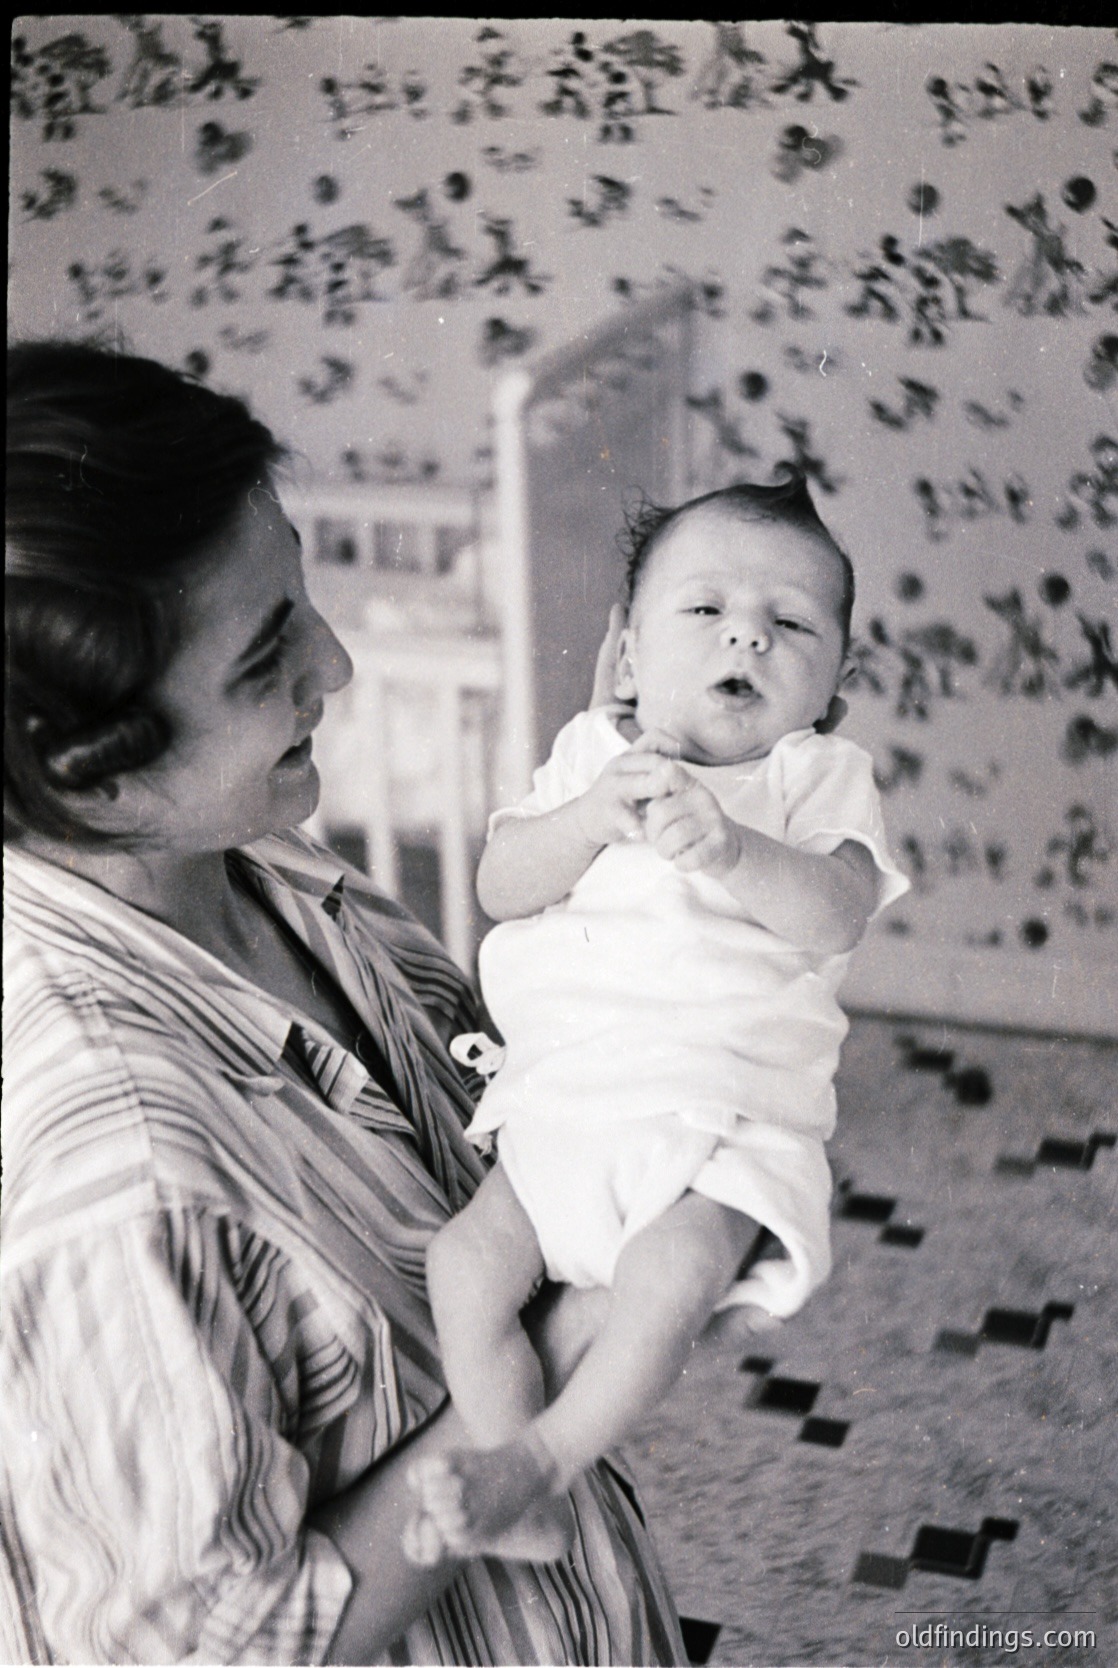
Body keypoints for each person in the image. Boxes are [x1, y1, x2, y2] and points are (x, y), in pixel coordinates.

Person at [1, 339, 689, 1666]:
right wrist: (557, 1347)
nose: (339, 666)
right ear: (88, 774)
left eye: (301, 601)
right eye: (268, 661)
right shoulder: (122, 1178)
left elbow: (457, 1089)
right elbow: (218, 1646)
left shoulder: (258, 854)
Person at [406, 477, 910, 1566]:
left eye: (788, 624)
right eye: (705, 610)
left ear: (834, 685)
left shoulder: (814, 776)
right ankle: (509, 1469)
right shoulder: (596, 755)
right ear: (628, 655)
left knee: (672, 1277)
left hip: (722, 1113)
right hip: (569, 1104)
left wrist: (735, 850)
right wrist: (585, 817)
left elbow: (835, 916)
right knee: (463, 1265)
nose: (745, 633)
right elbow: (501, 883)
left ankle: (548, 1458)